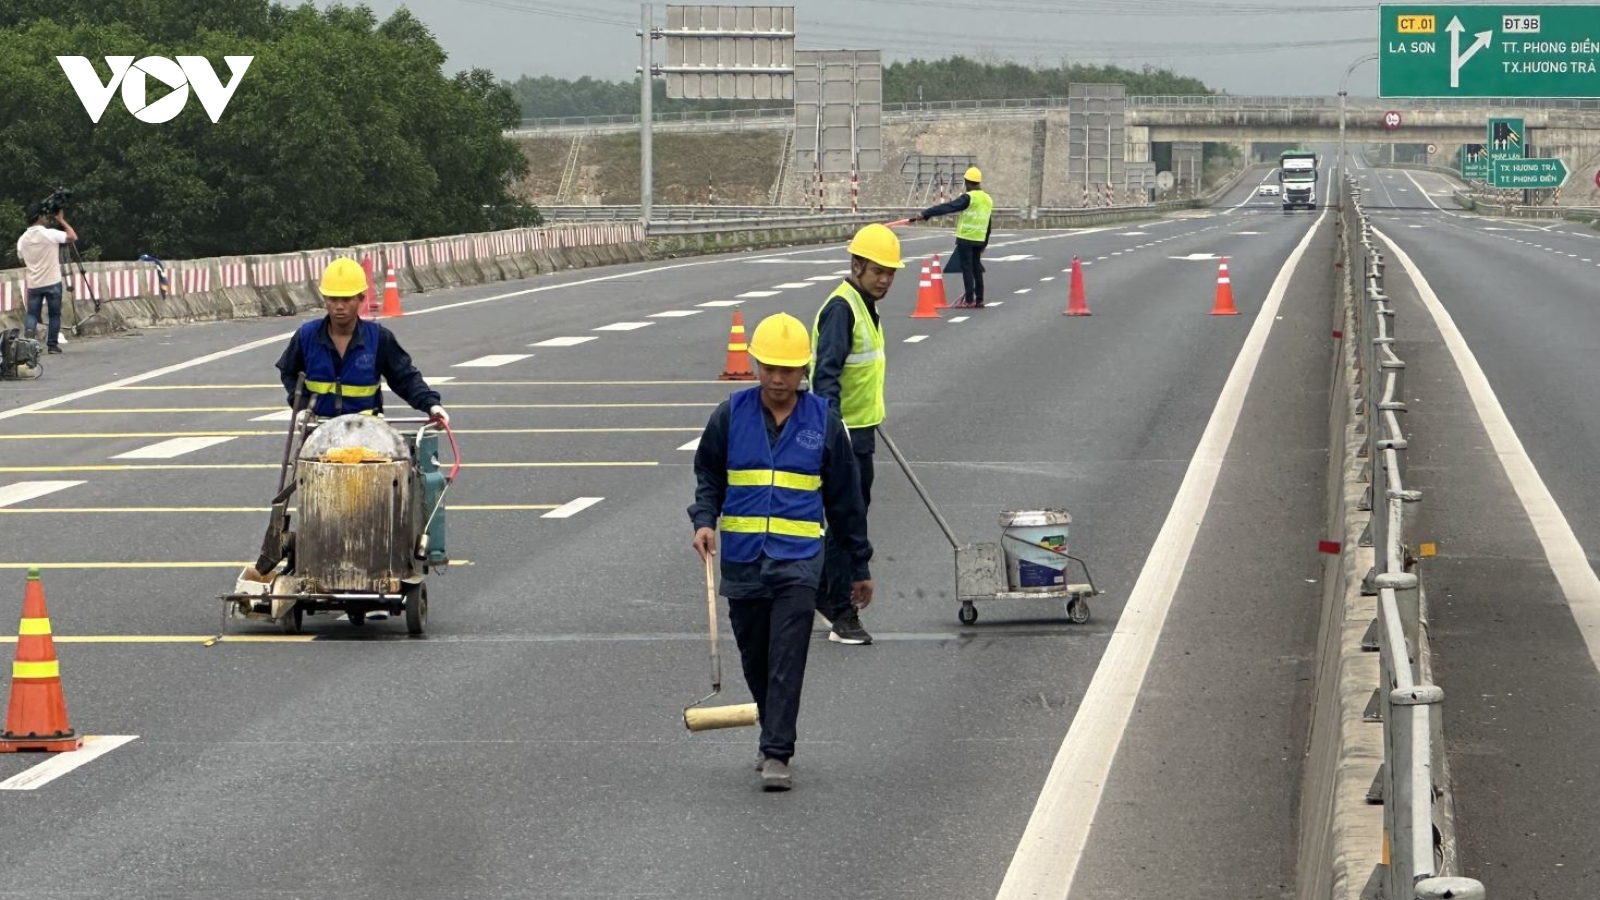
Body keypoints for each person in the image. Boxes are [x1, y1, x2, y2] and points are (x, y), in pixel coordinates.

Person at [689, 312, 874, 792]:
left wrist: (858, 565)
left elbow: (845, 500)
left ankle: (776, 751)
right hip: (743, 560)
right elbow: (709, 475)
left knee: (787, 656)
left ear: (803, 371)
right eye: (770, 366)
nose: (777, 378)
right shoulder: (730, 415)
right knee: (755, 656)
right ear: (755, 365)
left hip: (798, 561)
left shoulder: (824, 422)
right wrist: (704, 521)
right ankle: (771, 730)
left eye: (788, 369)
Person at [808, 223, 901, 646]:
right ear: (857, 264)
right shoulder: (842, 308)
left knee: (851, 516)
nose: (884, 279)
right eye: (878, 270)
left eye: (890, 273)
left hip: (860, 429)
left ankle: (827, 597)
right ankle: (841, 611)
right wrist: (836, 433)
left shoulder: (864, 305)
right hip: (843, 436)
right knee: (848, 521)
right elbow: (824, 376)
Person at [274, 258, 449, 423]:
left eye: (347, 299)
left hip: (366, 433)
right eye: (333, 299)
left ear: (361, 299)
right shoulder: (307, 336)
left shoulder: (379, 338)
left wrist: (431, 405)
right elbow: (289, 372)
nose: (339, 306)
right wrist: (302, 407)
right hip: (318, 432)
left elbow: (405, 378)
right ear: (325, 300)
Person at [913, 166, 992, 308]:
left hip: (966, 238)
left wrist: (927, 213)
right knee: (976, 268)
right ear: (979, 182)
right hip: (979, 239)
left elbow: (949, 207)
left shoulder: (969, 197)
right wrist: (985, 243)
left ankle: (969, 300)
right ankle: (979, 299)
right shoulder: (987, 199)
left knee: (967, 268)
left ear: (967, 182)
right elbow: (988, 222)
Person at [15, 202, 77, 354]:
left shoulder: (22, 240)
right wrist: (61, 220)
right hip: (53, 281)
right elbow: (72, 236)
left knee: (32, 314)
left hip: (34, 283)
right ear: (40, 217)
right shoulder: (50, 234)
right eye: (45, 216)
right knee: (54, 314)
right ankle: (52, 345)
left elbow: (21, 259)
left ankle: (29, 342)